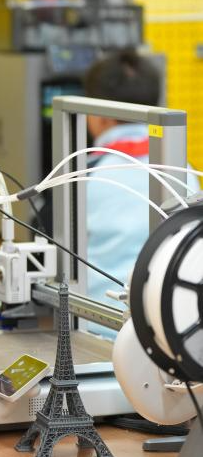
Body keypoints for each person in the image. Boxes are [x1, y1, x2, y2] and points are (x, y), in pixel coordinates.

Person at [83, 48, 198, 334]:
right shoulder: (184, 170)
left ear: (99, 116)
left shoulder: (83, 175)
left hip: (99, 332)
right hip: (173, 333)